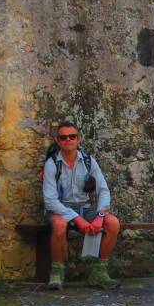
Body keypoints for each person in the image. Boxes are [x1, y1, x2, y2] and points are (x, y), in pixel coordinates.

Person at [41, 120, 121, 290]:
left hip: (86, 207)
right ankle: (57, 272)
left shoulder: (88, 161)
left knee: (112, 223)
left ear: (79, 139)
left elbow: (103, 190)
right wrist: (76, 218)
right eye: (63, 137)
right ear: (57, 141)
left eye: (72, 136)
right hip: (60, 208)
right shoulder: (52, 164)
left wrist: (100, 215)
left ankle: (99, 273)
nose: (68, 140)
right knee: (59, 225)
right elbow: (50, 200)